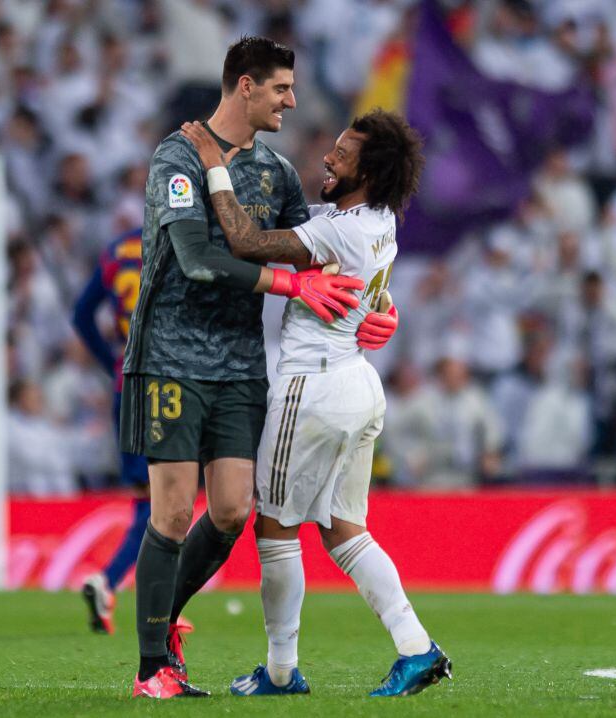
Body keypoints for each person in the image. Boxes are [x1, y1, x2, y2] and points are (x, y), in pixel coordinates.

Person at [121, 36, 393, 699]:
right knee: (176, 510)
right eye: (280, 89)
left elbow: (325, 254)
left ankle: (167, 614)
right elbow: (196, 258)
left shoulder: (274, 173)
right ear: (245, 85)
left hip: (242, 362)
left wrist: (381, 309)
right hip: (172, 355)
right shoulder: (176, 157)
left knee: (235, 508)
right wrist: (289, 288)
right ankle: (151, 665)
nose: (292, 101)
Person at [179, 108, 447, 698]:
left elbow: (245, 243)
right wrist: (382, 311)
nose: (328, 157)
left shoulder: (339, 230)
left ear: (369, 172)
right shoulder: (377, 221)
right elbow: (364, 277)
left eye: (343, 155)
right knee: (346, 532)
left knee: (275, 527)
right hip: (357, 383)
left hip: (314, 387)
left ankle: (280, 671)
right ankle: (417, 648)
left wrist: (214, 166)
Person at [72, 227, 152, 635]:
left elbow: (82, 315)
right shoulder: (180, 238)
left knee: (148, 500)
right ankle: (115, 583)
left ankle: (115, 586)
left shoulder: (116, 248)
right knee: (166, 501)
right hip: (168, 382)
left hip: (127, 384)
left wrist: (110, 364)